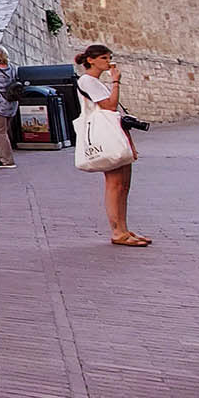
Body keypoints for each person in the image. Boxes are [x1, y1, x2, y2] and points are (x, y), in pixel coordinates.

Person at [76, 45, 147, 247]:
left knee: (124, 185)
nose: (108, 62)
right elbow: (109, 105)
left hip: (111, 132)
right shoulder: (87, 81)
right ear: (91, 60)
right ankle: (117, 230)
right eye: (104, 58)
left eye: (109, 58)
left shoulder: (94, 82)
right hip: (104, 134)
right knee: (115, 184)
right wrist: (116, 81)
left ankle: (123, 228)